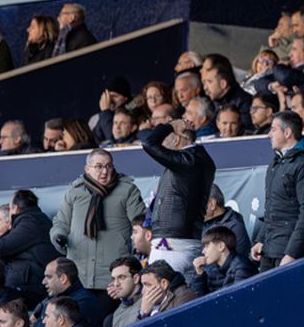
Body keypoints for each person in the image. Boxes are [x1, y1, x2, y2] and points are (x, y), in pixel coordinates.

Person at [50, 149, 146, 308]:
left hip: (112, 279)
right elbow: (61, 223)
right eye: (99, 166)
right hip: (79, 276)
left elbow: (142, 224)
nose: (105, 171)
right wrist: (58, 236)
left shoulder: (127, 190)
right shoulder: (74, 191)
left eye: (109, 166)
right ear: (87, 169)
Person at [141, 118, 215, 280]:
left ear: (176, 139)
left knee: (161, 290)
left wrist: (170, 126)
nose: (162, 144)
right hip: (177, 242)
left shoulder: (190, 160)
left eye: (165, 138)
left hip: (173, 246)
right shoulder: (193, 158)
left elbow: (149, 143)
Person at [253, 112, 304, 271]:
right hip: (271, 249)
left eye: (273, 129)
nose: (269, 134)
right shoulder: (276, 163)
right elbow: (272, 209)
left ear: (287, 133)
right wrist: (261, 240)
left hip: (291, 253)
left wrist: (292, 253)